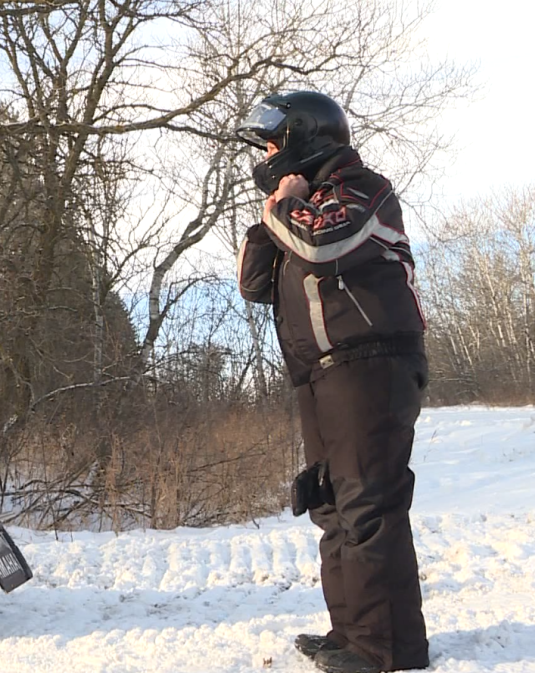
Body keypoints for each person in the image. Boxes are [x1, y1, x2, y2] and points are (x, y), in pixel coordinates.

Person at [234, 91, 431, 673]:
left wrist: (284, 210)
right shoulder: (300, 205)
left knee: (369, 503)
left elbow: (325, 246)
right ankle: (351, 634)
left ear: (304, 137)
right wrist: (273, 212)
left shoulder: (364, 189)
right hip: (318, 375)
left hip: (370, 364)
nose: (267, 154)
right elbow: (253, 285)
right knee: (330, 505)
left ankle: (386, 648)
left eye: (273, 142)